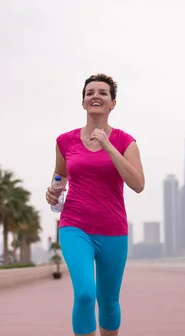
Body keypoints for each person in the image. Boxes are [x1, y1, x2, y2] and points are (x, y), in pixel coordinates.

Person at [45, 73, 145, 336]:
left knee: (109, 301)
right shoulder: (65, 141)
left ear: (113, 103)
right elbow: (60, 175)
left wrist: (108, 146)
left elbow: (138, 184)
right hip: (75, 226)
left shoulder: (125, 141)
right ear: (83, 102)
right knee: (86, 295)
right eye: (90, 92)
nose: (96, 96)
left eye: (102, 92)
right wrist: (54, 192)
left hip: (113, 230)